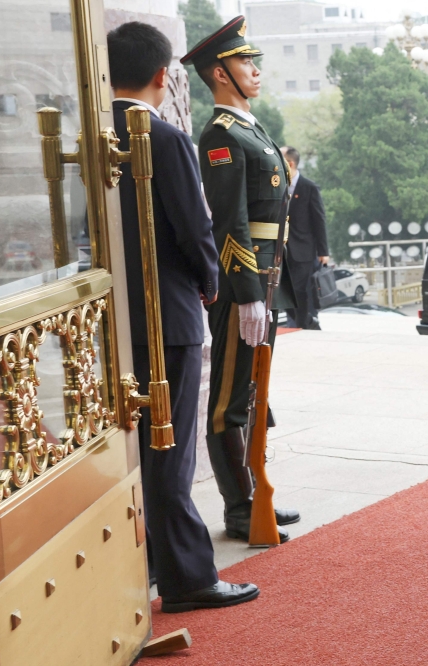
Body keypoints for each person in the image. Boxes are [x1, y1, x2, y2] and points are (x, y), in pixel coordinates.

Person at [107, 21, 259, 611]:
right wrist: (209, 284)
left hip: (114, 317)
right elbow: (196, 230)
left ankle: (141, 563)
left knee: (133, 452)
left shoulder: (95, 133)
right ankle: (190, 577)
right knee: (171, 454)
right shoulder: (161, 136)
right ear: (161, 75)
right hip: (167, 316)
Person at [180, 16, 299, 543]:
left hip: (265, 280)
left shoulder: (250, 127)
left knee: (254, 390)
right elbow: (229, 222)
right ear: (220, 74)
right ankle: (238, 505)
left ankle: (255, 486)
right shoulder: (219, 136)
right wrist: (248, 294)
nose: (254, 70)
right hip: (243, 284)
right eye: (245, 62)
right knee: (229, 396)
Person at [281, 145, 329, 330]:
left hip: (303, 250)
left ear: (290, 163)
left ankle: (302, 325)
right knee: (283, 291)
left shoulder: (309, 187)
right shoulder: (277, 186)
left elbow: (319, 220)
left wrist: (323, 251)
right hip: (281, 251)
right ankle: (308, 322)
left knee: (299, 290)